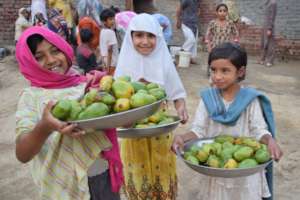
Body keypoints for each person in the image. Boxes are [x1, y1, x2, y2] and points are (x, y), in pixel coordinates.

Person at [15, 26, 123, 200]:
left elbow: (110, 117)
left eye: (55, 51)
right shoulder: (31, 97)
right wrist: (45, 126)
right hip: (63, 187)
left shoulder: (86, 83)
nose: (51, 60)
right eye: (38, 57)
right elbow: (22, 153)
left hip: (102, 177)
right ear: (28, 62)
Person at [172, 42, 283, 200]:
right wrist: (182, 138)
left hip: (244, 171)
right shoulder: (208, 98)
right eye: (213, 70)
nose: (217, 76)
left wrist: (270, 140)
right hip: (216, 167)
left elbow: (259, 131)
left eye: (225, 70)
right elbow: (198, 130)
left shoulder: (250, 100)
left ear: (240, 71)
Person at [114, 13, 189, 200]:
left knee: (162, 167)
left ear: (158, 37)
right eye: (139, 35)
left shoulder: (163, 60)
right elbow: (114, 100)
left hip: (160, 126)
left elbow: (176, 93)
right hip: (132, 127)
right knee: (136, 168)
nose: (145, 41)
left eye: (150, 36)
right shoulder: (124, 62)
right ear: (131, 37)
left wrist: (181, 108)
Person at [176, 0, 201, 64]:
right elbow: (179, 9)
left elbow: (198, 10)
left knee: (194, 42)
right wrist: (178, 20)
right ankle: (181, 52)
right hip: (186, 22)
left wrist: (196, 16)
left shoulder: (197, 1)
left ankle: (191, 58)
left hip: (195, 23)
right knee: (191, 39)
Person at [100, 9, 119, 75]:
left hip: (105, 62)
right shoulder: (111, 32)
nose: (113, 21)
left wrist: (103, 64)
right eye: (110, 19)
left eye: (113, 19)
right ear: (104, 21)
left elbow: (102, 48)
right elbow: (109, 50)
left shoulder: (102, 31)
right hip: (112, 63)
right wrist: (108, 67)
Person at [259, 0, 277, 67]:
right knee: (263, 43)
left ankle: (270, 61)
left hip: (269, 26)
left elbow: (272, 17)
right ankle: (262, 59)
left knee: (270, 44)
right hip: (265, 25)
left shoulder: (273, 3)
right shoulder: (267, 2)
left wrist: (270, 28)